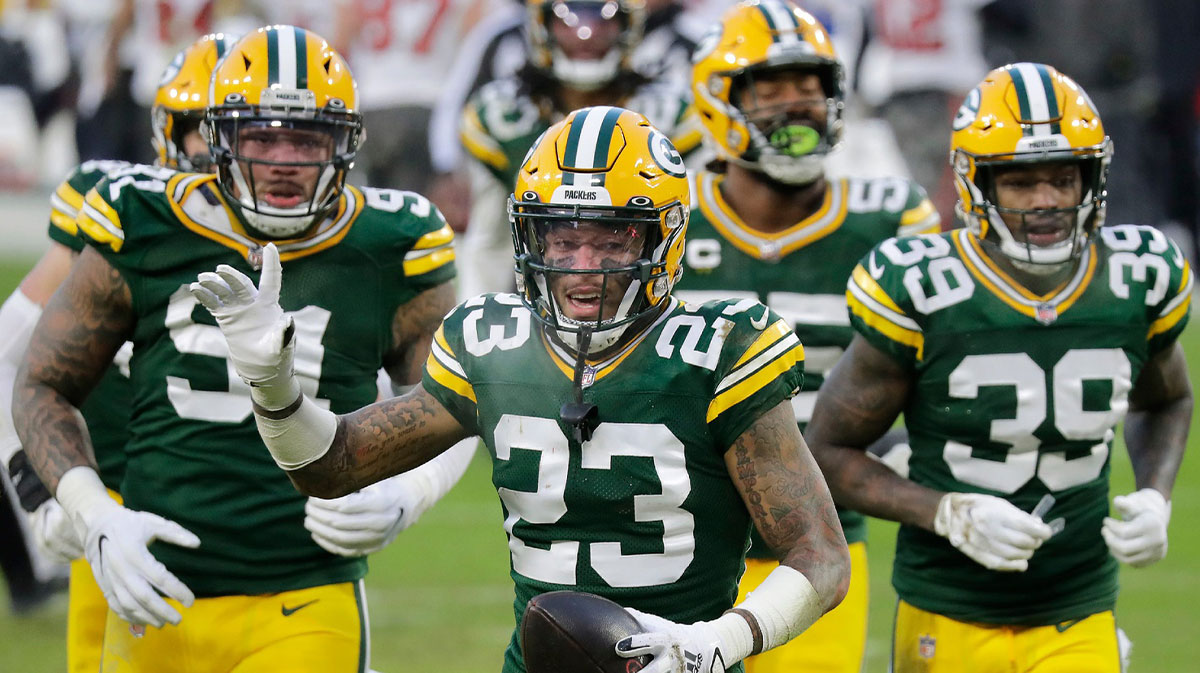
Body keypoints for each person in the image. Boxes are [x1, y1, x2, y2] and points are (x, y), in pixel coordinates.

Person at [190, 106, 851, 673]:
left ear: (664, 238)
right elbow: (331, 467)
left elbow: (822, 555)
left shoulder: (721, 350)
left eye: (610, 241)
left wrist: (714, 641)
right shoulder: (490, 344)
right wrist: (274, 386)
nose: (582, 268)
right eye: (561, 239)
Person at [13, 25, 472, 672]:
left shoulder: (391, 240)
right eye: (261, 136)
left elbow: (458, 394)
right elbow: (37, 378)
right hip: (151, 582)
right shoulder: (140, 220)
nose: (283, 158)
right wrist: (89, 510)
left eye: (306, 137)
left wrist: (411, 491)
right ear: (221, 137)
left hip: (305, 591)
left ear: (344, 143)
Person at [805, 62, 1193, 672]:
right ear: (976, 185)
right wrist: (947, 512)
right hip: (949, 606)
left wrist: (1154, 494)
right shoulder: (921, 286)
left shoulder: (1136, 277)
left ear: (1091, 178)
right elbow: (826, 451)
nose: (1046, 201)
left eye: (1063, 178)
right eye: (1020, 182)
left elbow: (1167, 398)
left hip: (1079, 603)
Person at [675, 3, 939, 672]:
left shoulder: (891, 223)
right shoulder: (665, 218)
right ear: (718, 98)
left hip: (821, 544)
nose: (798, 104)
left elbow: (947, 381)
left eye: (811, 85)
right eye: (770, 86)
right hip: (680, 542)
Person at [0, 31, 234, 673]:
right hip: (121, 515)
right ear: (169, 130)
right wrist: (37, 480)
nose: (222, 149)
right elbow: (5, 349)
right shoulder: (118, 209)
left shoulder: (316, 237)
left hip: (251, 525)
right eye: (205, 127)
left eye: (247, 129)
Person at [454, 0, 702, 298]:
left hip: (639, 284)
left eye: (604, 21)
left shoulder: (672, 115)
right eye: (567, 21)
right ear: (541, 26)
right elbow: (490, 244)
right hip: (546, 288)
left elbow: (688, 232)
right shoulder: (501, 117)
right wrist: (485, 318)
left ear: (629, 27)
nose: (586, 33)